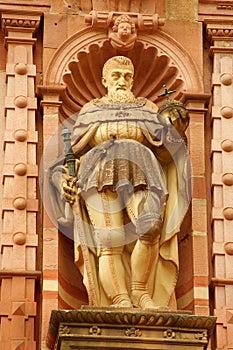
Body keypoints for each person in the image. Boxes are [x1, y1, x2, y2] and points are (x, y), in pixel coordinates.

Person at [49, 56, 191, 310]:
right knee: (108, 238)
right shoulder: (91, 111)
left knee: (150, 228)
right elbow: (69, 157)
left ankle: (141, 293)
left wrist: (176, 130)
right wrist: (63, 179)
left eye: (127, 76)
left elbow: (166, 153)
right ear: (104, 80)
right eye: (115, 75)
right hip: (97, 172)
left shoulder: (147, 108)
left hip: (144, 169)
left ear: (134, 80)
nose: (122, 81)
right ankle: (119, 298)